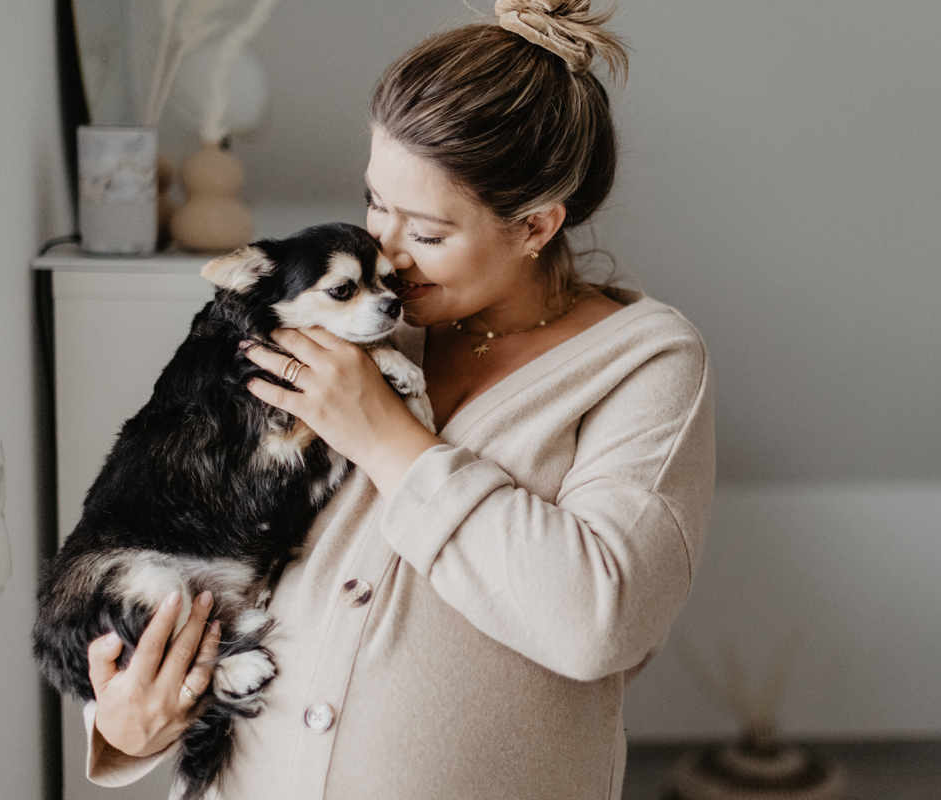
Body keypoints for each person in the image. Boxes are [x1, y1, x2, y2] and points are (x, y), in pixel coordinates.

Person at [82, 1, 715, 797]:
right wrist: (122, 722)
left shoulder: (645, 363)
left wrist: (388, 437)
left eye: (427, 231)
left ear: (535, 227)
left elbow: (598, 621)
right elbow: (175, 516)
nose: (383, 248)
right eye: (378, 200)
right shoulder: (335, 314)